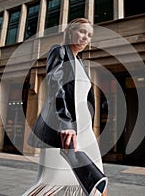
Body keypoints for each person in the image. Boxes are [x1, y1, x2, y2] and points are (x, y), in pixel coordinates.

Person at [24, 18, 107, 196]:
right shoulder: (59, 51)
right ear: (70, 32)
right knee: (51, 184)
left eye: (90, 35)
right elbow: (56, 86)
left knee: (97, 181)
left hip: (84, 130)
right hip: (63, 130)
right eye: (82, 32)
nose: (86, 38)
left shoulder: (81, 63)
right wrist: (66, 124)